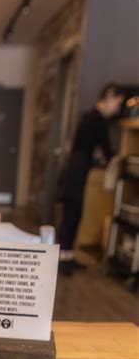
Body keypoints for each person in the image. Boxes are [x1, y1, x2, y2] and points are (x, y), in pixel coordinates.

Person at [58, 82, 124, 276]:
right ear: (109, 97)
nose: (117, 109)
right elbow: (107, 149)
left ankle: (67, 256)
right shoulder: (97, 120)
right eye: (117, 103)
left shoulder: (89, 117)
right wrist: (117, 159)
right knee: (71, 215)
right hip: (76, 173)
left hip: (76, 171)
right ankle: (62, 258)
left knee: (74, 214)